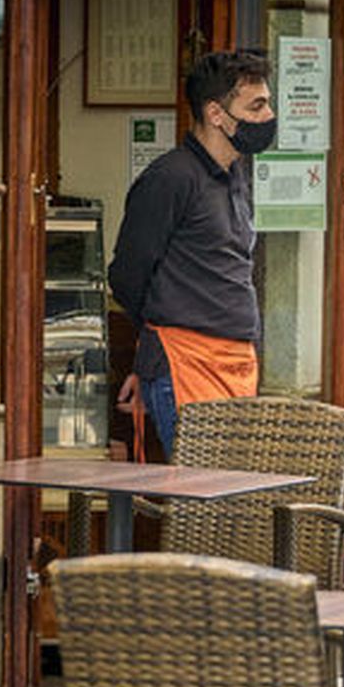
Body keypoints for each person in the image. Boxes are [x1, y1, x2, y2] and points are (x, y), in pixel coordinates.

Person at [108, 50, 276, 455]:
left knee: (228, 499)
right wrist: (155, 348)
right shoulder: (170, 178)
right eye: (256, 105)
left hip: (235, 362)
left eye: (268, 103)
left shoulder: (235, 173)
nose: (268, 115)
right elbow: (128, 275)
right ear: (216, 113)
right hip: (185, 364)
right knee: (202, 500)